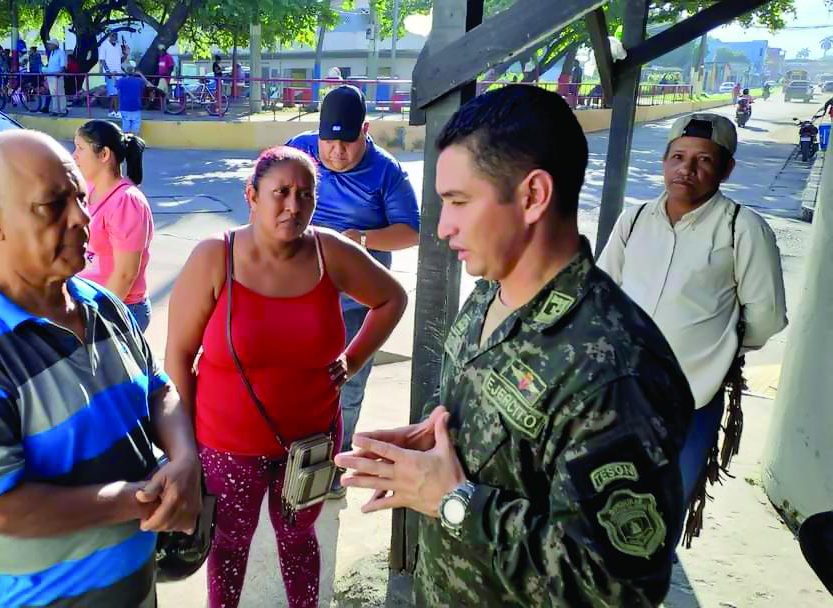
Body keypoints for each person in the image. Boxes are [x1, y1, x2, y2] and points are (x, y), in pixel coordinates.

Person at [335, 84, 694, 607]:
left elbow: (617, 588)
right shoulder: (490, 291)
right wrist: (438, 437)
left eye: (458, 202)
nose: (443, 227)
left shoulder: (616, 371)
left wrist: (456, 501)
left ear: (533, 196)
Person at [0, 129, 201, 608]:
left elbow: (158, 389)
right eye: (53, 205)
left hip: (135, 587)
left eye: (80, 197)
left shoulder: (104, 305)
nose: (82, 218)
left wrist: (184, 460)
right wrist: (141, 499)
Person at [165, 145, 407, 608]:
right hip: (228, 446)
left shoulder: (329, 252)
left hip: (311, 444)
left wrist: (353, 360)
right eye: (281, 192)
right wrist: (186, 446)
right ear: (252, 196)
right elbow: (179, 354)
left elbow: (392, 298)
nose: (294, 205)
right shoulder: (215, 256)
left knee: (298, 539)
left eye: (305, 194)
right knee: (229, 544)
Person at [598, 113, 787, 544]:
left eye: (704, 160)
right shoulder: (635, 219)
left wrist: (718, 351)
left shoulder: (742, 228)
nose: (687, 169)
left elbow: (766, 317)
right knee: (601, 504)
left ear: (726, 169)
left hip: (691, 402)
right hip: (619, 393)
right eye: (678, 157)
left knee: (657, 520)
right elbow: (603, 292)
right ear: (664, 161)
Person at [286, 84, 420, 499]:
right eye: (328, 142)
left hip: (357, 302)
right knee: (291, 377)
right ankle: (290, 455)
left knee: (346, 385)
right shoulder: (299, 150)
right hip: (298, 293)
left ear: (365, 131)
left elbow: (412, 231)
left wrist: (360, 239)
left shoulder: (386, 173)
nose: (336, 152)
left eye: (346, 142)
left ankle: (335, 465)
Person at [72, 120, 155, 331]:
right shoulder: (89, 188)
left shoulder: (126, 202)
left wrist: (99, 319)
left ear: (104, 154)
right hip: (89, 302)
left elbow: (125, 274)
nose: (74, 155)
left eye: (80, 148)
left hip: (119, 309)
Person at [116, 61, 146, 136]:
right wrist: (140, 74)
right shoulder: (139, 81)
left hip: (124, 106)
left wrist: (113, 76)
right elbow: (147, 83)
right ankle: (134, 141)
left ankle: (125, 142)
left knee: (125, 129)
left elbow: (116, 87)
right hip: (136, 106)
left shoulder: (121, 80)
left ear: (125, 71)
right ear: (134, 71)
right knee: (135, 130)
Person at [99, 32, 123, 119]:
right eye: (113, 36)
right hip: (110, 73)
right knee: (114, 93)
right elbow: (102, 60)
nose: (114, 37)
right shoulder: (104, 45)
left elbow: (121, 59)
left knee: (116, 93)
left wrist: (126, 54)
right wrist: (107, 71)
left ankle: (111, 112)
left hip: (118, 72)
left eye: (116, 36)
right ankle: (117, 111)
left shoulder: (118, 45)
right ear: (109, 36)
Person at [43, 38, 68, 117]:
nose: (49, 46)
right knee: (53, 95)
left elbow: (63, 67)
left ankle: (63, 111)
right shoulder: (52, 53)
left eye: (50, 44)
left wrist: (59, 74)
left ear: (54, 45)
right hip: (50, 76)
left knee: (60, 94)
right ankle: (55, 110)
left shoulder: (61, 53)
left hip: (57, 76)